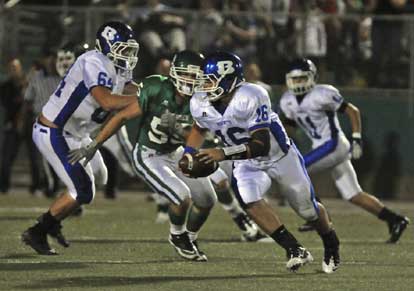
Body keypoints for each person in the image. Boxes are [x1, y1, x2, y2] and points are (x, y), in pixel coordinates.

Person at [184, 51, 340, 273]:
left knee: (307, 210)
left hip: (279, 156)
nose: (204, 86)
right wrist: (189, 152)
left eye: (210, 80)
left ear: (228, 79)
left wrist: (222, 153)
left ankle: (331, 242)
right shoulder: (200, 102)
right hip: (245, 161)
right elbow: (200, 126)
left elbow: (261, 145)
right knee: (249, 199)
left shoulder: (251, 95)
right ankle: (295, 249)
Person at [21, 21, 141, 255]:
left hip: (79, 134)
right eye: (122, 48)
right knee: (83, 191)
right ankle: (38, 231)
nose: (127, 54)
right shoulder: (93, 61)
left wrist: (151, 90)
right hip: (55, 131)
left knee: (100, 176)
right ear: (106, 46)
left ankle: (56, 215)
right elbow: (108, 101)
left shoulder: (119, 64)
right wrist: (145, 101)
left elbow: (128, 87)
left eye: (129, 48)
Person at [279, 58, 409, 243]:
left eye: (302, 78)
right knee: (352, 194)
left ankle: (316, 216)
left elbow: (352, 111)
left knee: (296, 171)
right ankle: (395, 220)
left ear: (312, 77)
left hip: (334, 145)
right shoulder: (287, 100)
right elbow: (290, 125)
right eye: (295, 79)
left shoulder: (323, 93)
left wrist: (356, 138)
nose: (298, 83)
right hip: (321, 147)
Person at [23, 47, 76, 198]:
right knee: (43, 157)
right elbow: (27, 99)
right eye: (50, 58)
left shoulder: (65, 77)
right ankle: (50, 186)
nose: (52, 62)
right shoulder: (36, 77)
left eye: (56, 59)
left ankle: (60, 188)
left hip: (62, 123)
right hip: (40, 122)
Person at [0, 58, 41, 195]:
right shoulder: (5, 86)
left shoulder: (30, 83)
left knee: (34, 158)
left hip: (29, 124)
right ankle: (3, 186)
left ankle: (37, 186)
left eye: (16, 67)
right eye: (11, 68)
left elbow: (35, 101)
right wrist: (21, 92)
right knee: (7, 158)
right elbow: (7, 104)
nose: (14, 70)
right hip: (13, 124)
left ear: (20, 68)